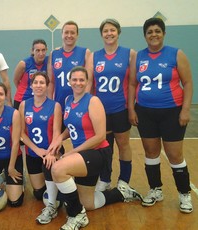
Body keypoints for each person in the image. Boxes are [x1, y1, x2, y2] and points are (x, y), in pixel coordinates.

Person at [50, 66, 142, 230]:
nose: (78, 83)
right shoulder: (68, 101)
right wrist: (59, 138)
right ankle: (120, 193)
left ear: (87, 82)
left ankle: (77, 215)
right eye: (75, 79)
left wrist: (71, 152)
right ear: (69, 81)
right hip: (83, 156)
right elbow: (70, 127)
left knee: (58, 169)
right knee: (88, 203)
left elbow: (100, 136)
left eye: (82, 80)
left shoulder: (93, 101)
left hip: (97, 153)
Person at [128, 17, 193, 214]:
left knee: (174, 155)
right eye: (150, 32)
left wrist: (185, 109)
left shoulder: (176, 54)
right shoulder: (139, 57)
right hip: (145, 112)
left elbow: (188, 83)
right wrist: (131, 109)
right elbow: (132, 84)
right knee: (150, 153)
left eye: (157, 31)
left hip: (172, 112)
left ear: (163, 33)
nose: (154, 34)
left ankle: (184, 194)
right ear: (145, 36)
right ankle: (155, 190)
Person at [92, 19, 136, 191]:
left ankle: (124, 180)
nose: (109, 33)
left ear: (118, 32)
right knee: (105, 146)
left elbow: (133, 83)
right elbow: (90, 84)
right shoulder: (94, 56)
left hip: (120, 109)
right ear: (101, 34)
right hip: (101, 111)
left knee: (123, 144)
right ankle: (104, 178)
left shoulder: (129, 54)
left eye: (112, 30)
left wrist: (131, 108)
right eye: (105, 31)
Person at [18, 71, 62, 224]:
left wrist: (50, 153)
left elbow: (57, 134)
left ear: (47, 86)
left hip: (51, 152)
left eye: (42, 83)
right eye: (35, 82)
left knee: (57, 197)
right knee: (38, 194)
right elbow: (21, 133)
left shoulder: (55, 106)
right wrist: (37, 150)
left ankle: (62, 183)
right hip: (33, 154)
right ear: (31, 86)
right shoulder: (24, 105)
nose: (38, 85)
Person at [47, 20, 92, 114]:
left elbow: (89, 81)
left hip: (78, 103)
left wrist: (84, 102)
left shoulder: (85, 52)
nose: (69, 35)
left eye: (72, 33)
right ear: (62, 34)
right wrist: (49, 103)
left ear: (77, 35)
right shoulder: (54, 54)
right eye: (66, 32)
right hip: (59, 104)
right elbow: (51, 81)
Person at [13, 39, 48, 109]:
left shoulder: (49, 61)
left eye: (43, 50)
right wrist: (26, 90)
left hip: (40, 100)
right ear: (32, 51)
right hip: (22, 99)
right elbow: (15, 80)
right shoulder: (24, 64)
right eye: (37, 50)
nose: (41, 53)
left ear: (46, 50)